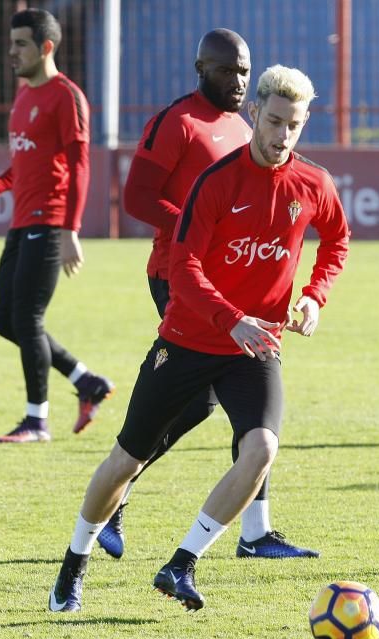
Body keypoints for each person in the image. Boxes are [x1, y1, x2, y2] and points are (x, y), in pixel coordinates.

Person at [49, 64, 350, 612]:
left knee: (261, 448)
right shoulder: (216, 183)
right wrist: (230, 317)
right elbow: (183, 267)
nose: (283, 135)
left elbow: (337, 241)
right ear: (254, 114)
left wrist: (313, 296)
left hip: (252, 349)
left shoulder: (314, 184)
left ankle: (181, 564)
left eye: (296, 125)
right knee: (125, 460)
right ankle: (74, 563)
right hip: (188, 339)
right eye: (275, 121)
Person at [96, 29, 317, 561]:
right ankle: (118, 491)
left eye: (243, 71)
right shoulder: (178, 122)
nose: (236, 81)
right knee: (196, 400)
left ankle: (255, 531)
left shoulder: (247, 124)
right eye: (225, 71)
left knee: (249, 396)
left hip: (233, 281)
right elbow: (137, 196)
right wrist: (196, 230)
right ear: (200, 69)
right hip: (181, 276)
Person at [0, 8, 112, 443]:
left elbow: (80, 167)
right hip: (21, 222)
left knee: (27, 317)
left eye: (21, 43)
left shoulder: (67, 97)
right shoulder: (23, 97)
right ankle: (85, 381)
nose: (12, 51)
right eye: (11, 43)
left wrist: (70, 230)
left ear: (46, 46)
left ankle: (36, 421)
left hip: (51, 220)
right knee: (3, 318)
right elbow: (22, 165)